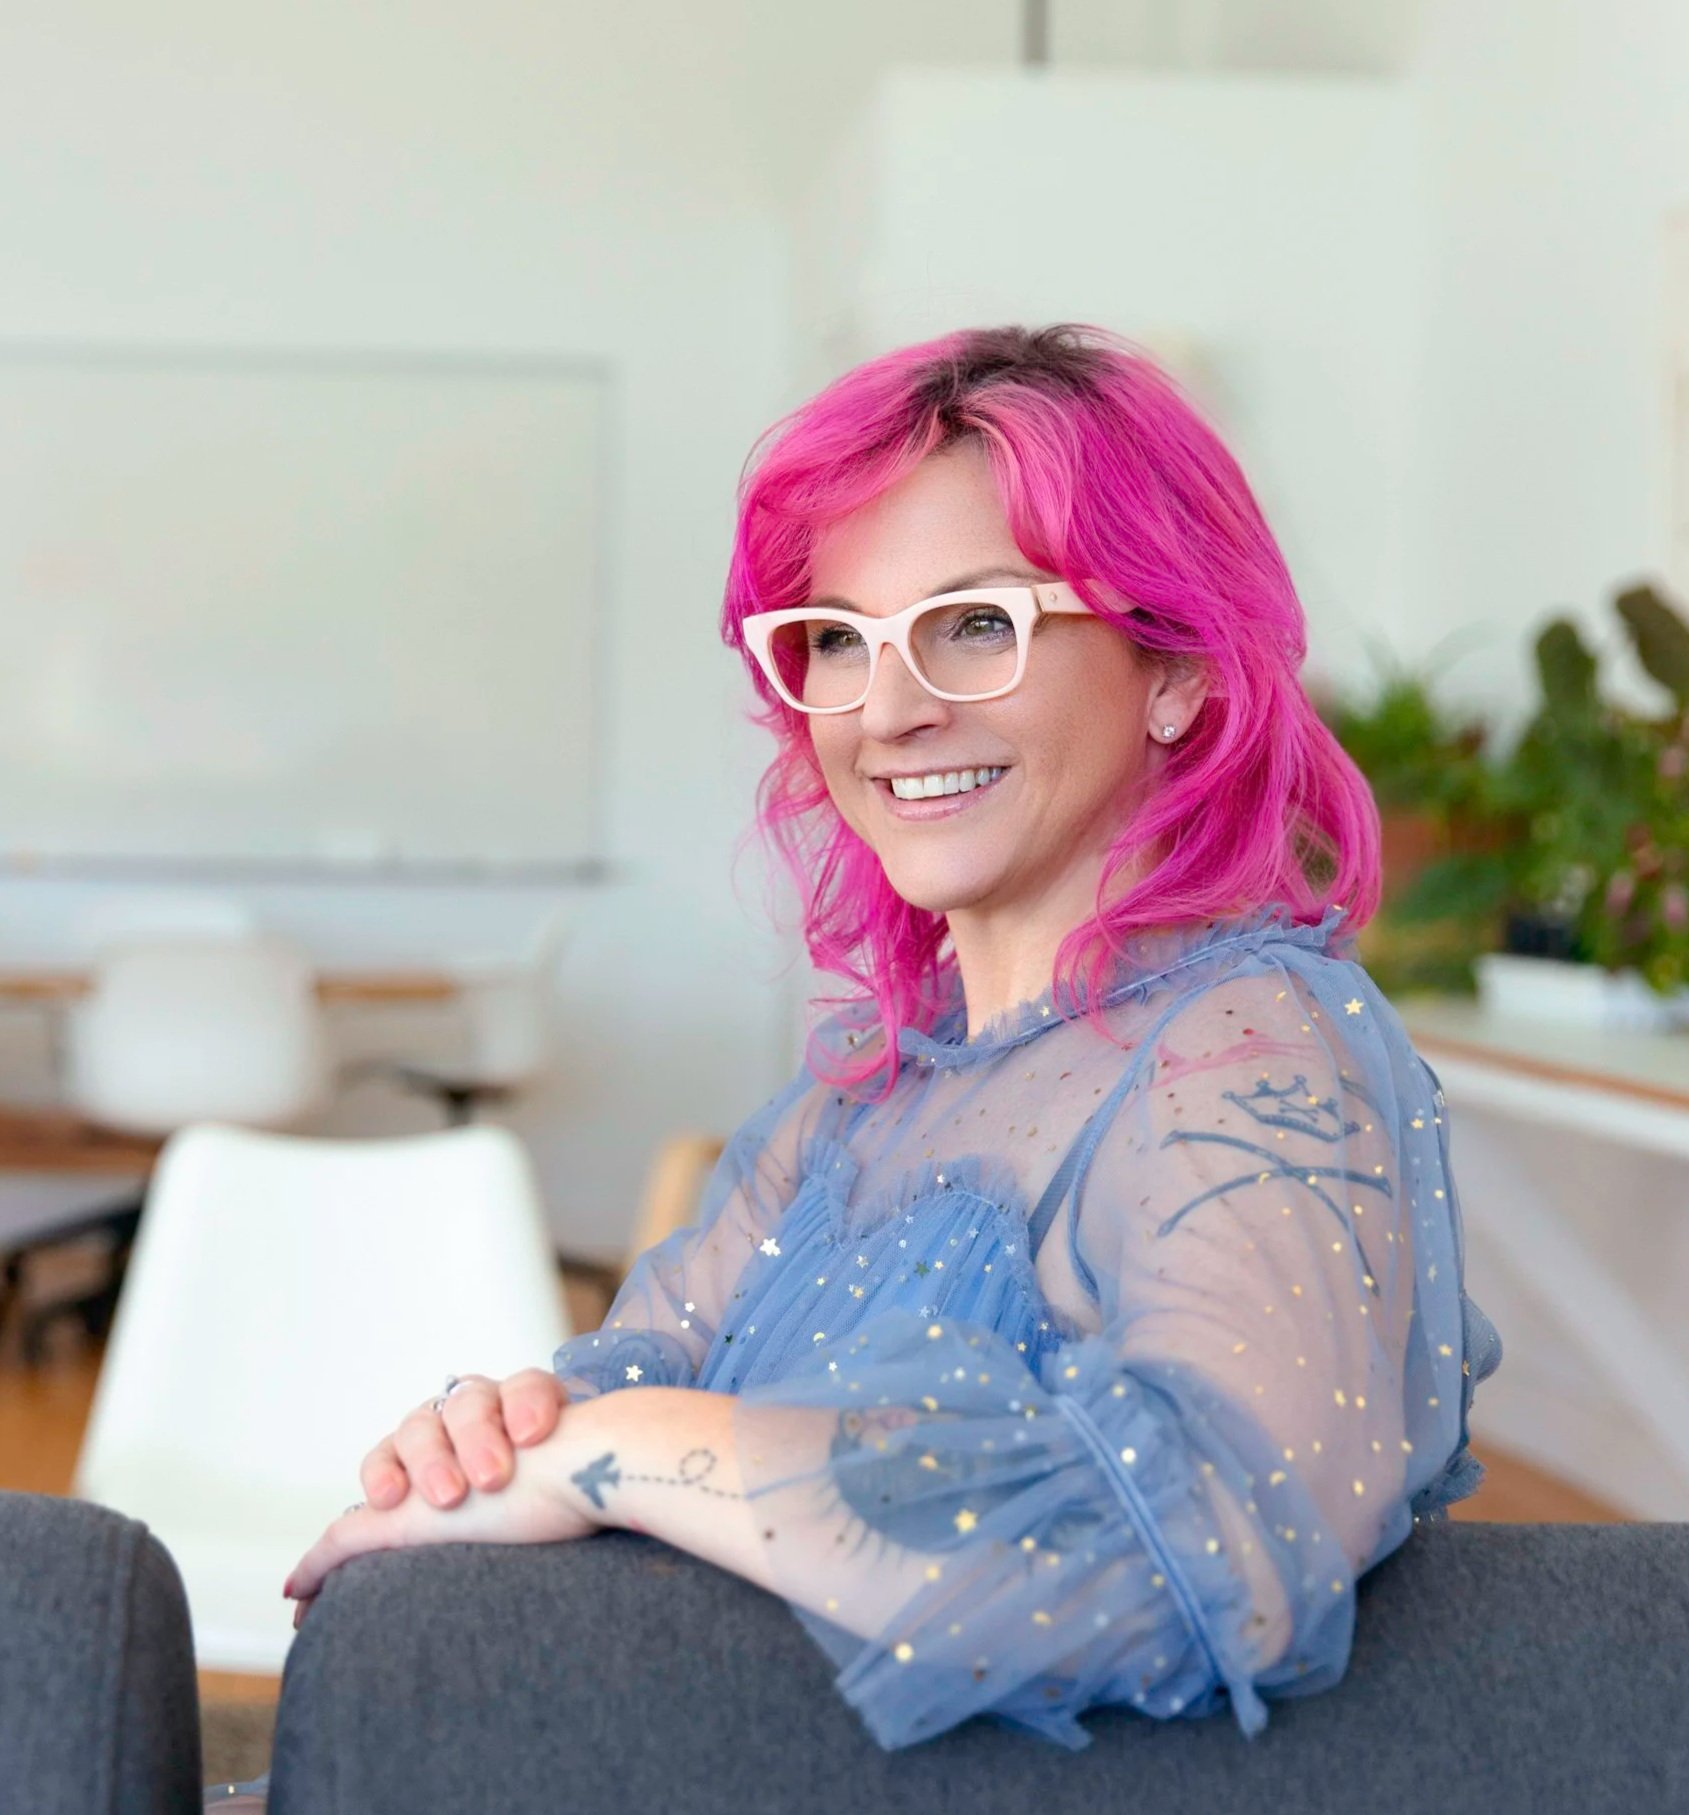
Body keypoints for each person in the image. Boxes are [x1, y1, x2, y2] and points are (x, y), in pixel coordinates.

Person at [208, 323, 1500, 1802]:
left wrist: (619, 1452)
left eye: (976, 623)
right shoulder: (867, 1092)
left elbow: (1221, 1542)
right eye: (837, 637)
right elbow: (626, 1380)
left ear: (1179, 669)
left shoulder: (1248, 1047)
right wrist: (507, 1439)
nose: (888, 712)